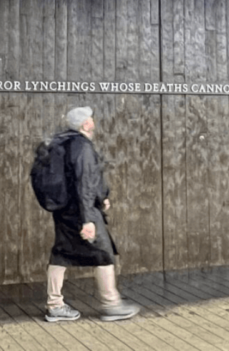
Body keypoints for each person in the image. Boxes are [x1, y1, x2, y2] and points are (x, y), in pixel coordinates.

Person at [44, 106, 140, 322]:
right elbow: (84, 181)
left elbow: (76, 179)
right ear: (86, 123)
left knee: (61, 253)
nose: (93, 122)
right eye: (91, 119)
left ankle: (55, 305)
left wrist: (100, 196)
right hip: (82, 210)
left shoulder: (61, 143)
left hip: (64, 210)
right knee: (103, 253)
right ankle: (111, 305)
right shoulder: (82, 145)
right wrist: (87, 218)